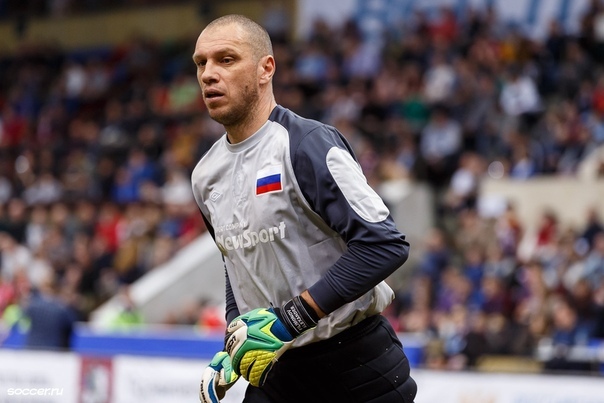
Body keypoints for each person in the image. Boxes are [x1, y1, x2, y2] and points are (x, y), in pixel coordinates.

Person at [191, 14, 417, 403]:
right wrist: (235, 340)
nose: (209, 74)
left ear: (266, 69)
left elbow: (384, 244)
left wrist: (291, 320)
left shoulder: (307, 144)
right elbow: (238, 262)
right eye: (201, 63)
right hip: (274, 376)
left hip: (355, 368)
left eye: (226, 59)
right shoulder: (204, 175)